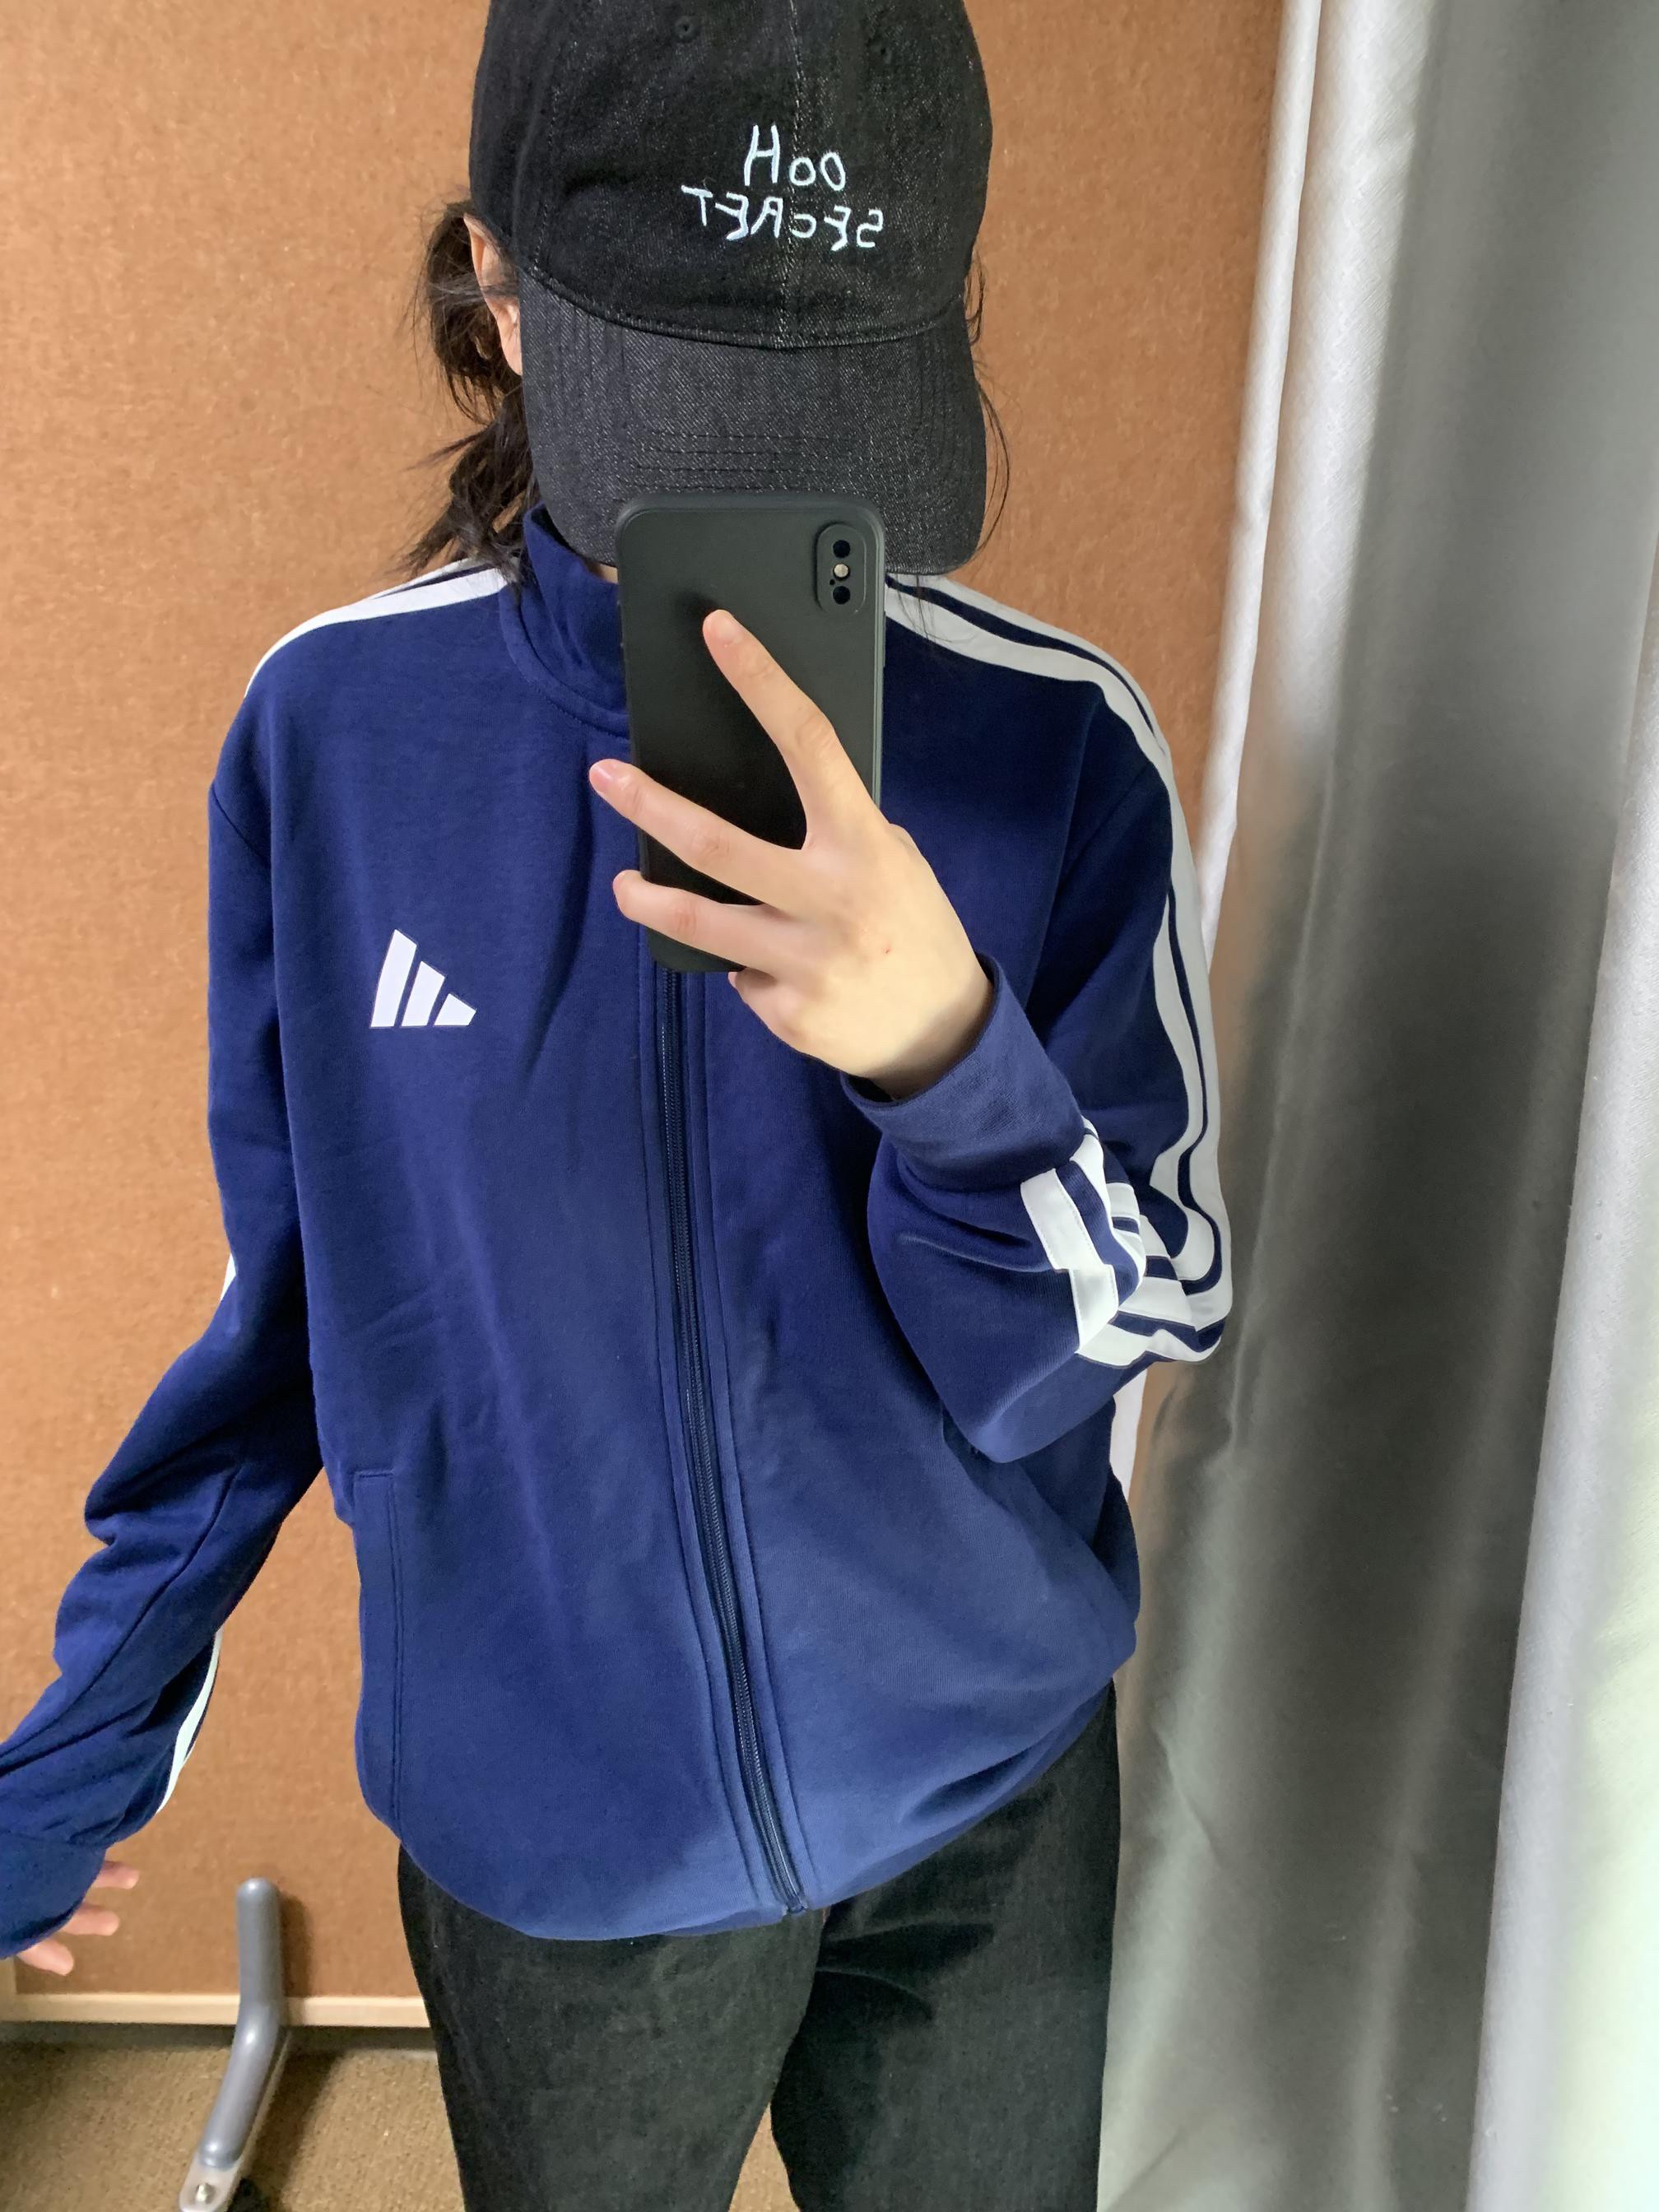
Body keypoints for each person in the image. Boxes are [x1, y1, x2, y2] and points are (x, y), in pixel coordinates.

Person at [0, 3, 1230, 2205]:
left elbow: (1126, 1329)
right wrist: (90, 1731)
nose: (747, 498)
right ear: (496, 282)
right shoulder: (334, 738)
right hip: (557, 1841)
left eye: (818, 412)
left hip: (987, 1797)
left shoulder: (1051, 747)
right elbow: (298, 1307)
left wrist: (947, 1058)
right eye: (683, 399)